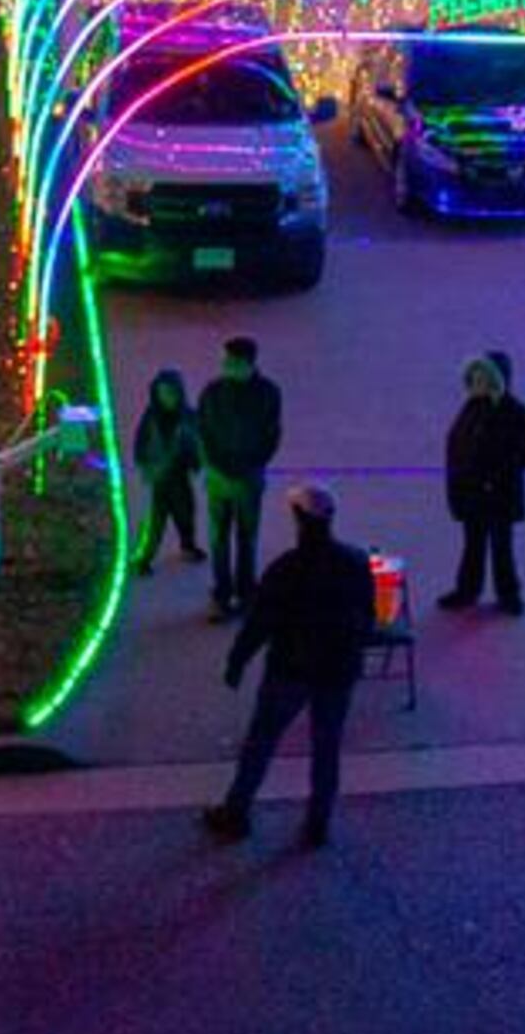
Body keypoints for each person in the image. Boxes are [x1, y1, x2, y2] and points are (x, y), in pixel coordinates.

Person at [202, 481, 377, 849]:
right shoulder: (356, 562)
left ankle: (236, 811)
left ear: (297, 519)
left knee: (261, 742)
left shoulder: (286, 569)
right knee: (326, 749)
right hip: (337, 672)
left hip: (290, 669)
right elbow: (368, 616)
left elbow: (261, 623)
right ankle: (318, 823)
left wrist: (237, 661)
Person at [436, 351, 525, 614]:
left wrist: (492, 478)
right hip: (473, 494)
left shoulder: (517, 413)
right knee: (473, 544)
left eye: (484, 376)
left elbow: (524, 455)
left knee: (502, 546)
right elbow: (458, 445)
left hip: (498, 495)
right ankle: (468, 590)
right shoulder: (472, 407)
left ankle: (508, 595)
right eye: (475, 376)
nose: (477, 381)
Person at [196, 337, 285, 619]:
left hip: (238, 477)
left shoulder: (266, 394)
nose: (225, 367)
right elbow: (203, 433)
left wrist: (239, 465)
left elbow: (271, 436)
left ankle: (243, 591)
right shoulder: (214, 392)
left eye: (230, 362)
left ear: (248, 364)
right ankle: (226, 591)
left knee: (242, 536)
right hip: (232, 477)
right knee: (223, 537)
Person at [129, 370, 205, 575]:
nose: (166, 398)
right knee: (156, 521)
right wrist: (144, 464)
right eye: (162, 393)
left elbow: (198, 442)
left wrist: (196, 461)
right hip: (160, 476)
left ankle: (187, 545)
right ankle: (144, 558)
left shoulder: (188, 417)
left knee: (186, 512)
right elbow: (141, 442)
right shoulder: (151, 417)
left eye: (170, 393)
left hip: (179, 474)